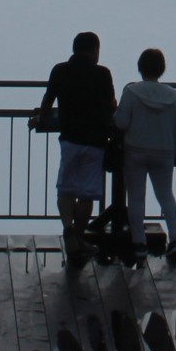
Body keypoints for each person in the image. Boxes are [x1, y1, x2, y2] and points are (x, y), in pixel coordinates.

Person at [32, 31, 115, 267]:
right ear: (95, 50)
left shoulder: (60, 70)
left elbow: (48, 100)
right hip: (96, 141)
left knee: (66, 188)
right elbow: (111, 105)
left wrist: (41, 119)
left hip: (69, 139)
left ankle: (68, 229)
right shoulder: (102, 73)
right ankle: (78, 238)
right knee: (87, 194)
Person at [114, 47, 176, 265]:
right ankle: (175, 240)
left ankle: (139, 244)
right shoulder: (172, 96)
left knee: (136, 198)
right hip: (163, 152)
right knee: (166, 195)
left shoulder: (132, 92)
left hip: (135, 150)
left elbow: (121, 122)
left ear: (140, 67)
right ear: (162, 69)